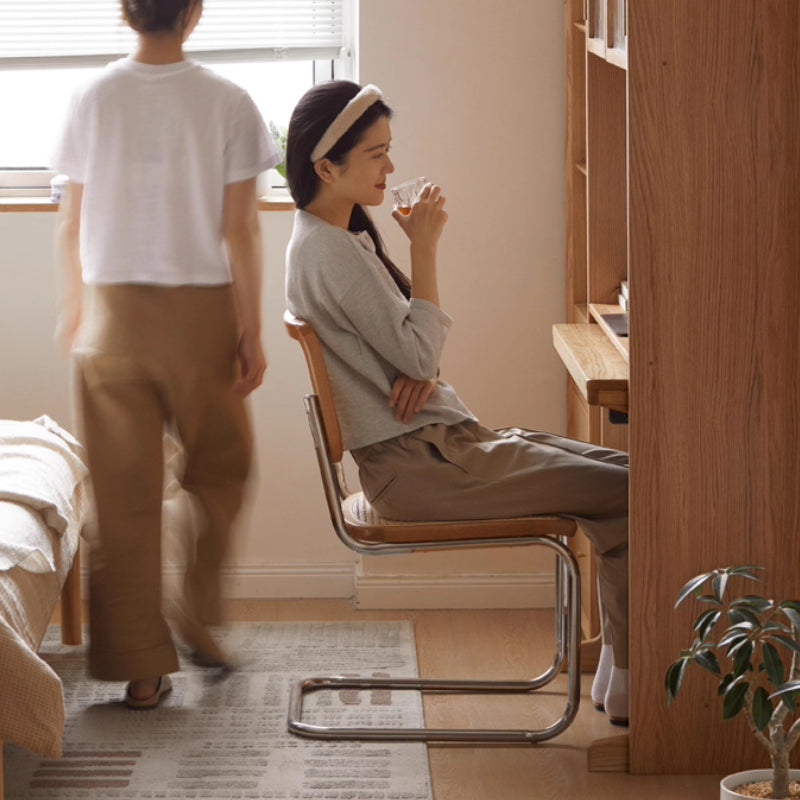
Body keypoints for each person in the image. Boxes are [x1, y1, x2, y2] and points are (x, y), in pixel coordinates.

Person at [284, 80, 631, 724]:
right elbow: (419, 356)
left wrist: (420, 359)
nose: (391, 168)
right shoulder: (329, 250)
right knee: (637, 492)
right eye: (377, 155)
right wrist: (424, 249)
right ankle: (633, 683)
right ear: (326, 166)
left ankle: (620, 672)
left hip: (435, 449)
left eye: (391, 151)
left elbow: (419, 356)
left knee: (626, 481)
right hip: (424, 466)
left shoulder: (335, 237)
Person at [53, 0, 280, 708]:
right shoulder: (230, 102)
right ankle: (193, 609)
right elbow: (240, 228)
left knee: (121, 499)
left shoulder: (90, 98)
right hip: (200, 318)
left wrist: (77, 310)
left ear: (126, 11)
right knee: (221, 470)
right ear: (194, 12)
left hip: (110, 318)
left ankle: (141, 672)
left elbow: (70, 220)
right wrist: (250, 328)